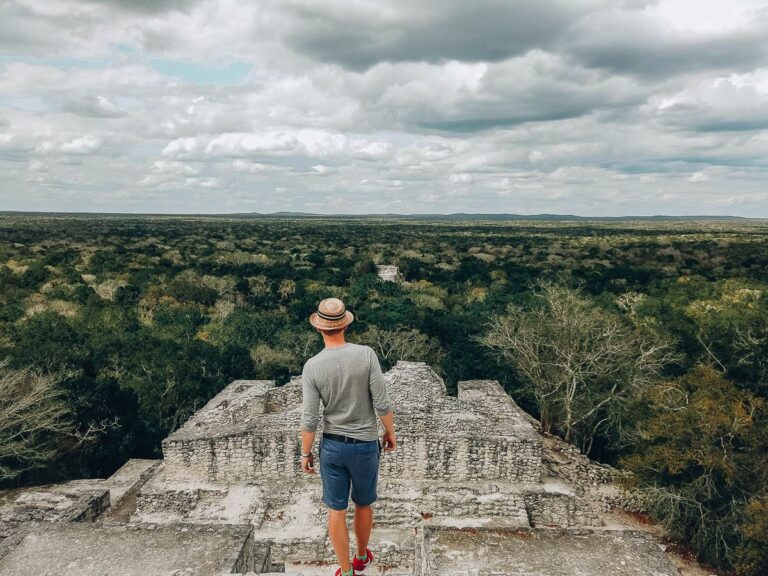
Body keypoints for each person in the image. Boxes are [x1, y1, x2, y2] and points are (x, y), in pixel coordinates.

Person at [299, 297, 397, 576]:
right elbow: (382, 402)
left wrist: (305, 453)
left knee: (336, 511)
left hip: (332, 447)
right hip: (365, 444)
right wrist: (389, 433)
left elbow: (310, 417)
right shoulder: (365, 355)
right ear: (345, 325)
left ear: (319, 328)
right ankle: (362, 557)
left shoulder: (312, 366)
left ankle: (346, 571)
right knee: (364, 504)